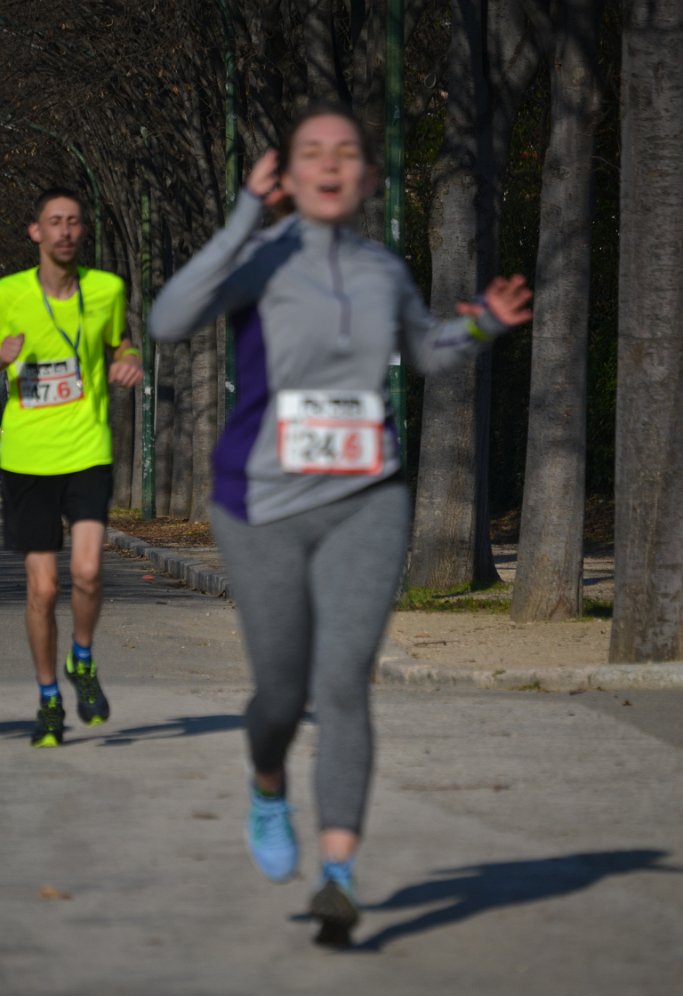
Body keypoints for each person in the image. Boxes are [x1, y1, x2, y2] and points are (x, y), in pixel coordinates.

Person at [149, 101, 532, 945]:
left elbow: (424, 353)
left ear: (365, 177)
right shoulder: (257, 259)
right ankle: (266, 782)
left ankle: (337, 874)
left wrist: (479, 325)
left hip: (367, 496)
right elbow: (168, 321)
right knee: (282, 693)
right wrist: (243, 218)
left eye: (346, 151)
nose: (330, 162)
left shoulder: (379, 267)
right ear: (287, 176)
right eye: (312, 151)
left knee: (343, 682)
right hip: (261, 504)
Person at [0, 188, 143, 748]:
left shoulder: (106, 289)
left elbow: (121, 344)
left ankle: (81, 658)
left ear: (83, 231)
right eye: (54, 222)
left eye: (74, 222)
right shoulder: (8, 293)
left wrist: (129, 361)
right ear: (35, 232)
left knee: (86, 571)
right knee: (42, 588)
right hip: (26, 456)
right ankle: (48, 700)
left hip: (87, 448)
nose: (64, 231)